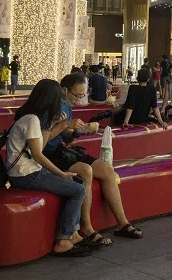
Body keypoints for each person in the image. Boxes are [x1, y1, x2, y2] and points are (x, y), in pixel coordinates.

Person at [43, 73, 145, 244]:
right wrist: (66, 125)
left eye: (83, 95)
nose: (79, 100)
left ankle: (122, 223)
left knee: (106, 169)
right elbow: (43, 140)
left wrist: (81, 131)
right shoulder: (51, 107)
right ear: (64, 90)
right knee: (86, 171)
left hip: (62, 150)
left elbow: (67, 137)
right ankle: (87, 227)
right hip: (50, 154)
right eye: (77, 95)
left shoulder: (67, 105)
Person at [4, 79, 91, 257]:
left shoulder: (31, 117)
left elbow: (40, 146)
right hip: (25, 174)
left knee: (76, 184)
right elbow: (38, 154)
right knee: (78, 190)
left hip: (25, 171)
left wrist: (53, 124)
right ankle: (64, 240)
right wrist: (61, 173)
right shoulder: (32, 120)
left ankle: (72, 234)